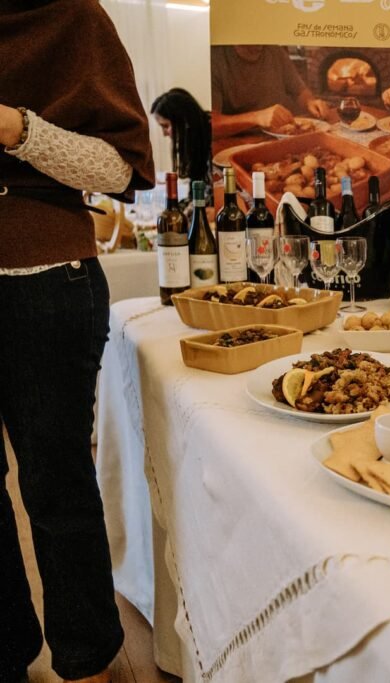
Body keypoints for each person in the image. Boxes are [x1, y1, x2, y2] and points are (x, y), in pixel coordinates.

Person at [0, 1, 155, 682]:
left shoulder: (72, 16)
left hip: (44, 279)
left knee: (56, 478)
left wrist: (15, 128)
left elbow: (119, 169)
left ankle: (89, 656)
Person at [210, 45, 332, 138]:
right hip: (236, 142)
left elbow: (300, 91)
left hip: (278, 137)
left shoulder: (275, 51)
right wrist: (256, 117)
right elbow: (209, 124)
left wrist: (310, 102)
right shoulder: (214, 57)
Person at [150, 88, 212, 185]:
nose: (164, 134)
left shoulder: (211, 139)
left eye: (166, 126)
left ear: (184, 120)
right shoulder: (194, 141)